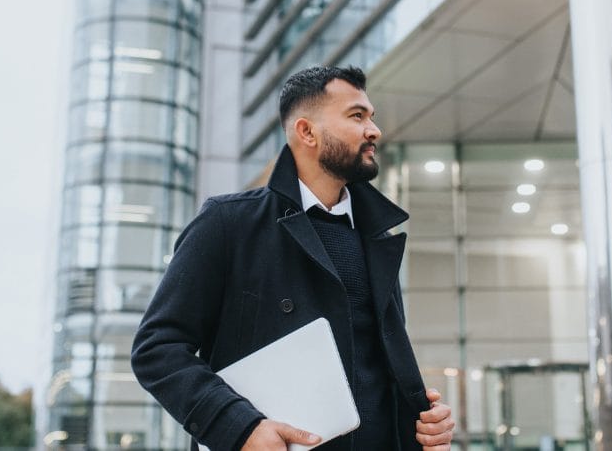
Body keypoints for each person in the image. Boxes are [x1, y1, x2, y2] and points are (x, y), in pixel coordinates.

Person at [132, 65, 455, 450]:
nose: (374, 130)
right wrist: (240, 428)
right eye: (357, 116)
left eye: (372, 117)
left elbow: (376, 371)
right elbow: (158, 349)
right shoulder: (228, 223)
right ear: (307, 132)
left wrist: (422, 425)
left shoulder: (377, 237)